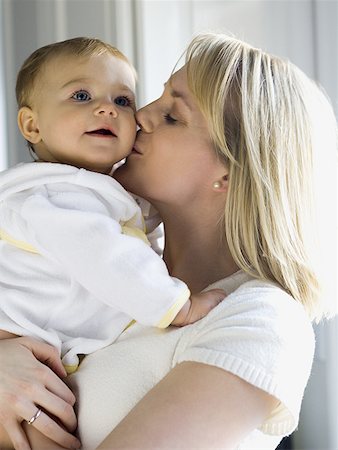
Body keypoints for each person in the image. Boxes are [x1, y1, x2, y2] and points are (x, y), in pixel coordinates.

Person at [0, 32, 337, 450]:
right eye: (152, 99)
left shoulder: (258, 320)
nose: (138, 115)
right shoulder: (111, 270)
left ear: (229, 171)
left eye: (172, 115)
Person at [0, 37, 225, 373]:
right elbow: (108, 256)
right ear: (32, 126)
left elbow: (133, 238)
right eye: (81, 96)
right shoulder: (54, 196)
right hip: (17, 338)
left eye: (122, 100)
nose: (108, 109)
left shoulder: (94, 193)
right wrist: (179, 306)